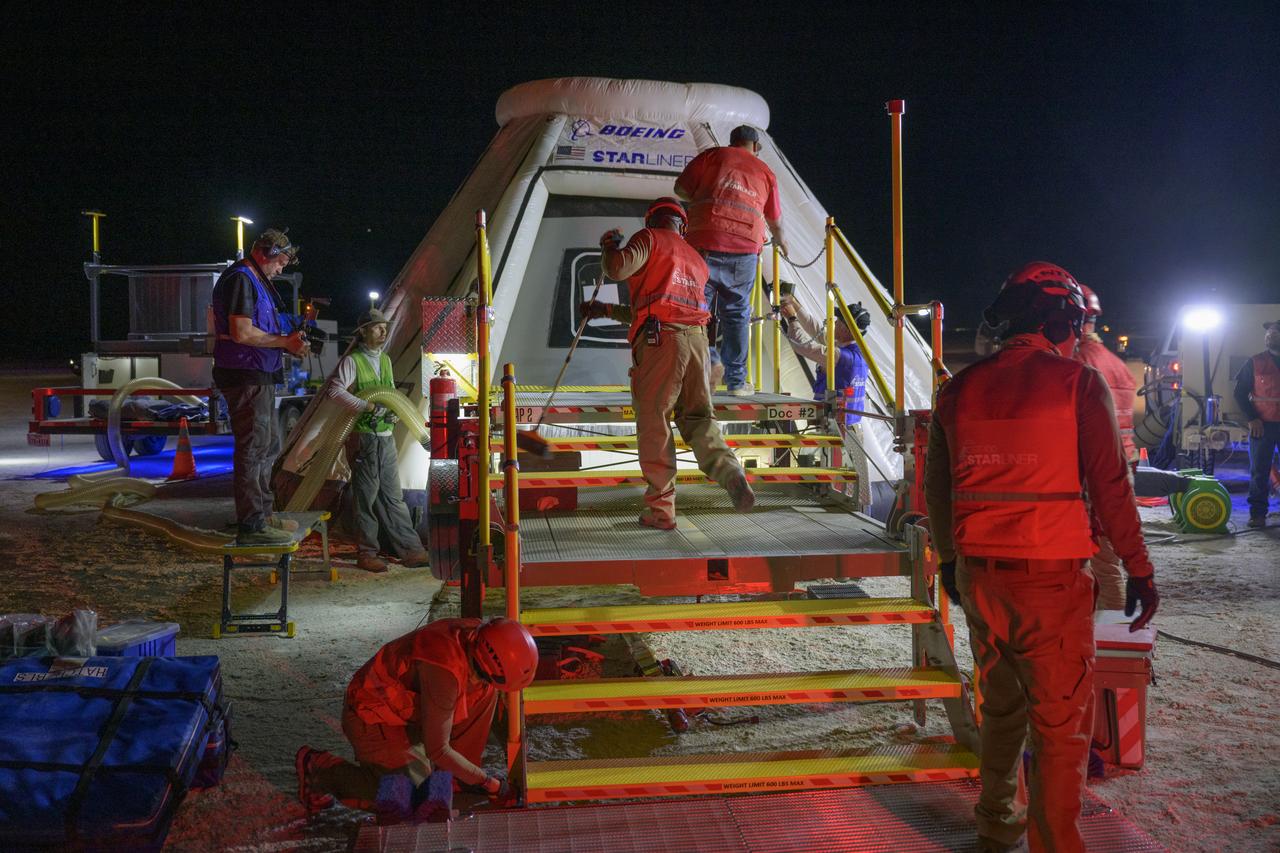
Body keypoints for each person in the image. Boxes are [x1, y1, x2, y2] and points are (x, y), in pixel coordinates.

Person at [924, 262, 1159, 853]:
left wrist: (951, 564)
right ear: (1060, 321)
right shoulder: (1078, 384)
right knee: (1059, 731)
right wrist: (1139, 568)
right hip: (1050, 584)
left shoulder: (959, 388)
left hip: (979, 579)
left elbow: (938, 490)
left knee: (1001, 710)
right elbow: (1111, 488)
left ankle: (995, 825)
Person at [583, 197, 755, 529]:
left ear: (653, 221)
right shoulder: (695, 259)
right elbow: (663, 306)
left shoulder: (649, 239)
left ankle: (661, 512)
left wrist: (608, 246)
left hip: (661, 344)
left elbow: (617, 268)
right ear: (683, 225)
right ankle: (731, 472)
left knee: (655, 422)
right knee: (698, 418)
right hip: (698, 344)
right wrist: (605, 311)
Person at [295, 617, 537, 813]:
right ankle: (319, 771)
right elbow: (438, 750)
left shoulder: (481, 637)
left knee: (486, 693)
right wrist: (488, 783)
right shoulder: (444, 670)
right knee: (405, 798)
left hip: (412, 711)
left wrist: (468, 775)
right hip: (373, 712)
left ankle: (456, 776)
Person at [210, 228, 309, 545]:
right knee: (254, 449)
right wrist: (285, 343)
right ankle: (253, 525)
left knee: (267, 447)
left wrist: (287, 342)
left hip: (257, 374)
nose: (281, 269)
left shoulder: (253, 280)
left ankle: (263, 517)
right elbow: (241, 332)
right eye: (280, 262)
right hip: (245, 375)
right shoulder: (242, 279)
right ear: (265, 253)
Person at [675, 124, 789, 396]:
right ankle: (737, 381)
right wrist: (782, 242)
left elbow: (680, 188)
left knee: (694, 310)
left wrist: (704, 196)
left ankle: (705, 365)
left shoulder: (713, 155)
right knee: (737, 313)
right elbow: (775, 220)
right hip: (744, 249)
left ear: (732, 141)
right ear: (756, 148)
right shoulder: (765, 172)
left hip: (703, 243)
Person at [323, 308, 430, 572]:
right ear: (363, 332)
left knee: (393, 497)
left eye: (385, 327)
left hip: (385, 437)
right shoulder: (353, 361)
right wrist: (365, 406)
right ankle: (367, 552)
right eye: (377, 327)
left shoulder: (385, 360)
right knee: (366, 498)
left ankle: (411, 550)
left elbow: (390, 392)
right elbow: (334, 391)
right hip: (365, 439)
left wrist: (393, 412)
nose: (384, 331)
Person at [1073, 284, 1138, 610]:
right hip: (1120, 469)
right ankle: (1111, 644)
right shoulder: (1117, 364)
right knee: (1107, 563)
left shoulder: (1076, 363)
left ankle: (1107, 645)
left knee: (1095, 566)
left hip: (1090, 475)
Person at [779, 290, 870, 422]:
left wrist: (792, 318)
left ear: (845, 328)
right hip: (845, 422)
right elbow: (816, 330)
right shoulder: (855, 352)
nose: (834, 324)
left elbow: (803, 345)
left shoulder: (840, 356)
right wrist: (793, 303)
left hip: (837, 425)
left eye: (838, 321)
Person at [1233, 319, 1280, 527]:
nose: (1269, 336)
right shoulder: (1255, 362)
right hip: (1263, 425)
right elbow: (1240, 392)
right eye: (1268, 333)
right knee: (1259, 471)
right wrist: (1252, 418)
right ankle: (1258, 514)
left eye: (1275, 332)